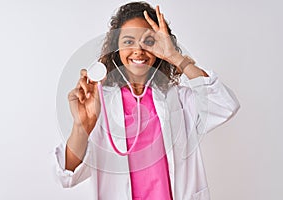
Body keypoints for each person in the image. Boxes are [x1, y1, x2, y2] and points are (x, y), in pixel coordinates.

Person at [53, 1, 240, 200]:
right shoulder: (100, 102)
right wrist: (82, 126)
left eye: (148, 41)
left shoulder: (179, 99)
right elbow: (67, 176)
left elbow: (225, 106)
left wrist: (175, 57)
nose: (138, 50)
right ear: (115, 49)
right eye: (128, 41)